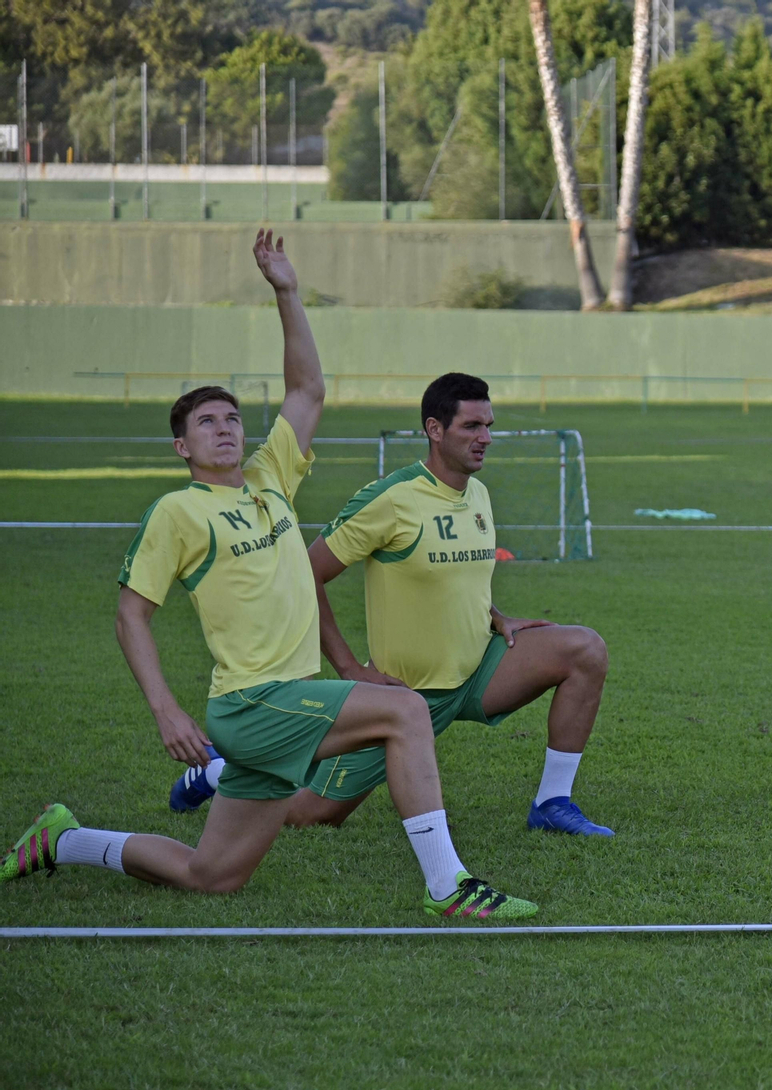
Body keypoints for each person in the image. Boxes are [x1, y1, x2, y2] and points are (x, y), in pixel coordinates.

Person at [4, 230, 540, 920]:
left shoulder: (269, 481)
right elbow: (130, 614)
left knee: (211, 875)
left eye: (232, 418)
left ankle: (65, 840)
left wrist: (287, 291)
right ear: (182, 446)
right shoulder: (178, 512)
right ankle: (450, 887)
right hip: (252, 705)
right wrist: (167, 709)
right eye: (207, 423)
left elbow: (307, 388)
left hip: (289, 700)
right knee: (406, 711)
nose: (225, 429)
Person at [169, 373, 614, 836]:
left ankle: (552, 803)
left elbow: (456, 573)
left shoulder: (478, 494)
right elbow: (306, 574)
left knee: (584, 649)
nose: (485, 438)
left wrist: (494, 614)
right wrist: (346, 666)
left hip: (478, 669)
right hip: (404, 695)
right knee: (312, 815)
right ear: (434, 429)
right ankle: (218, 773)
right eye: (471, 427)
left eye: (488, 425)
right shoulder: (391, 499)